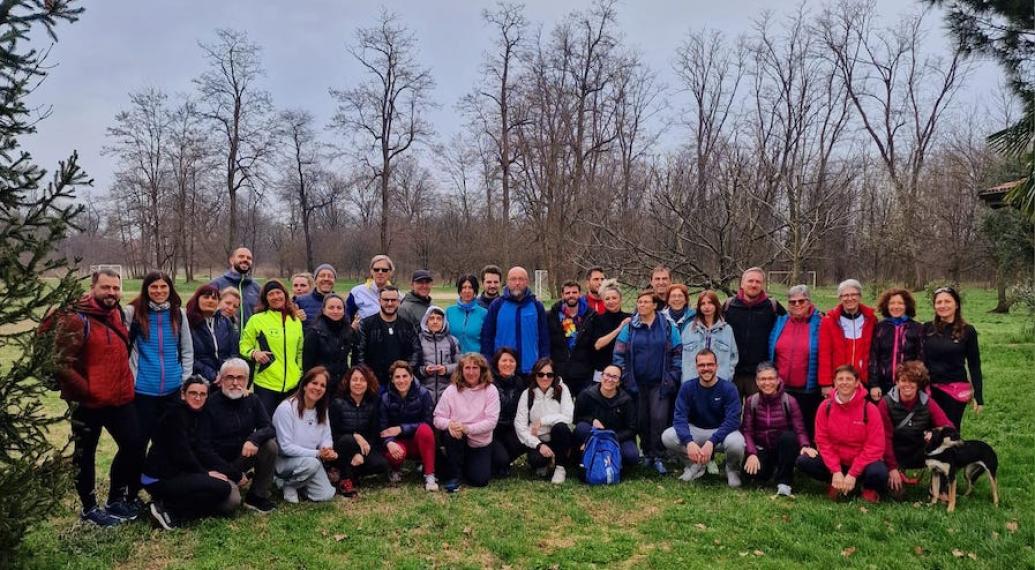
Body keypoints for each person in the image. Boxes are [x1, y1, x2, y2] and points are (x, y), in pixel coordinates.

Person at [49, 269, 145, 526]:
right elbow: (61, 363)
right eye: (105, 287)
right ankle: (89, 508)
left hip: (120, 396)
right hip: (87, 402)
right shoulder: (76, 318)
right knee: (86, 453)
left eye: (115, 288)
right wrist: (88, 389)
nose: (111, 293)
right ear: (93, 288)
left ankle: (115, 499)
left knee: (133, 444)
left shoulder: (115, 313)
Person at [142, 377, 240, 530]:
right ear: (183, 395)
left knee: (216, 491)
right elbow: (182, 453)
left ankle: (168, 504)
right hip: (158, 478)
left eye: (202, 394)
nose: (198, 398)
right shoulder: (175, 415)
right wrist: (205, 473)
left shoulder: (197, 414)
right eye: (193, 393)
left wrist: (243, 392)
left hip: (178, 473)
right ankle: (167, 508)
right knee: (222, 488)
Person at [196, 358, 278, 514]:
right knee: (230, 503)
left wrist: (253, 439)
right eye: (230, 377)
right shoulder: (209, 404)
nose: (235, 382)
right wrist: (235, 475)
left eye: (240, 378)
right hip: (218, 465)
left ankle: (256, 496)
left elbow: (269, 428)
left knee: (270, 445)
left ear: (247, 381)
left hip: (242, 457)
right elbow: (204, 449)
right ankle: (229, 484)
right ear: (221, 380)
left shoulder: (252, 400)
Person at [613, 289, 682, 474]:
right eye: (639, 302)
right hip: (636, 383)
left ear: (654, 305)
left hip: (661, 383)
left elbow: (678, 352)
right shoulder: (630, 327)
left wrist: (673, 376)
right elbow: (618, 353)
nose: (642, 305)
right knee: (641, 419)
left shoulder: (667, 326)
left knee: (658, 418)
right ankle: (646, 453)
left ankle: (658, 455)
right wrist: (625, 377)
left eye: (646, 302)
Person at [795, 365, 887, 503]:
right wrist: (836, 470)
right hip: (836, 462)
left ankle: (867, 488)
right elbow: (822, 441)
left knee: (879, 472)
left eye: (849, 379)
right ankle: (836, 482)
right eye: (840, 379)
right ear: (835, 382)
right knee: (804, 461)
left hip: (861, 463)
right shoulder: (825, 406)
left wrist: (853, 473)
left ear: (857, 383)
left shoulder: (869, 409)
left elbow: (875, 446)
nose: (844, 382)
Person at [124, 271, 195, 446]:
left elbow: (187, 351)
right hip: (142, 391)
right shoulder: (132, 312)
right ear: (146, 289)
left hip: (173, 391)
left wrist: (185, 382)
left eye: (163, 286)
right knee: (137, 444)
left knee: (168, 444)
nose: (159, 291)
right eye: (154, 286)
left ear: (170, 289)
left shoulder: (179, 314)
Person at [662, 350, 745, 487]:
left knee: (737, 443)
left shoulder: (729, 388)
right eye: (702, 365)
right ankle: (694, 465)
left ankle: (732, 469)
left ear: (716, 366)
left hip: (720, 432)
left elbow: (733, 420)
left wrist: (712, 442)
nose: (706, 368)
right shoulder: (687, 387)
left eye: (710, 364)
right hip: (696, 430)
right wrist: (689, 442)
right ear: (696, 367)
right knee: (668, 436)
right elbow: (679, 418)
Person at [877, 361, 954, 496]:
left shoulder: (928, 402)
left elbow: (949, 428)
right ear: (897, 382)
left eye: (912, 381)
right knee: (897, 495)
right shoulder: (885, 403)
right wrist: (892, 468)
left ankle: (940, 485)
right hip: (895, 451)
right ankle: (895, 475)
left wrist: (935, 434)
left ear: (918, 384)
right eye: (903, 380)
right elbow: (884, 437)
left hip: (919, 450)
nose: (907, 385)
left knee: (948, 445)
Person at [740, 362, 813, 497]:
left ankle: (784, 481)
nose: (767, 383)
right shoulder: (751, 401)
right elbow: (747, 431)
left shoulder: (789, 401)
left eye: (771, 378)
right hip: (762, 448)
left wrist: (805, 445)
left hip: (782, 449)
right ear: (757, 381)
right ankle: (770, 470)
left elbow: (800, 429)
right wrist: (751, 453)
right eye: (763, 379)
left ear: (778, 380)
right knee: (750, 475)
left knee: (789, 437)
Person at [434, 353, 501, 492]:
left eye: (475, 368)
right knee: (452, 434)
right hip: (457, 438)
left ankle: (465, 465)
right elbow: (437, 418)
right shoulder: (451, 390)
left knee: (480, 480)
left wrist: (467, 428)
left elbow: (491, 422)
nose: (471, 372)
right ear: (461, 370)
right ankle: (455, 476)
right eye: (467, 368)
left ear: (482, 370)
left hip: (479, 442)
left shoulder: (491, 390)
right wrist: (450, 424)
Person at [271, 367, 338, 503]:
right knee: (312, 464)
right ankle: (287, 484)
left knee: (326, 495)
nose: (318, 388)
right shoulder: (286, 408)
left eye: (322, 385)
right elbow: (285, 447)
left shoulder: (322, 410)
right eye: (314, 383)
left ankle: (299, 484)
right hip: (284, 461)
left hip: (310, 461)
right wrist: (318, 453)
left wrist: (327, 449)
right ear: (305, 385)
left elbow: (326, 436)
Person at [239, 280, 304, 416]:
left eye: (278, 292)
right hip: (266, 384)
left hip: (292, 385)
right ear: (265, 298)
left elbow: (300, 351)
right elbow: (244, 346)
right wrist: (254, 353)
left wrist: (299, 372)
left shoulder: (295, 321)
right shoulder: (256, 320)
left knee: (288, 422)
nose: (275, 297)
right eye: (271, 294)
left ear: (285, 295)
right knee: (266, 423)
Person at [923, 286, 983, 430]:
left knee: (949, 432)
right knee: (928, 434)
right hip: (929, 390)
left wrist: (978, 396)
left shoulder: (968, 331)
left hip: (955, 391)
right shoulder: (926, 329)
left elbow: (974, 365)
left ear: (956, 305)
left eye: (947, 301)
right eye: (939, 302)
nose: (943, 305)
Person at [768, 285, 823, 440]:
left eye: (801, 301)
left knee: (806, 430)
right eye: (792, 302)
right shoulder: (780, 322)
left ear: (809, 302)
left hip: (809, 391)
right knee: (783, 432)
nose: (797, 305)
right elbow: (771, 349)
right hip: (782, 389)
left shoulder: (820, 323)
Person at [723, 267, 785, 399]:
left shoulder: (772, 306)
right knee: (731, 410)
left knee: (758, 411)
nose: (754, 285)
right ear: (742, 284)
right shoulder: (729, 306)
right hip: (732, 372)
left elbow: (792, 321)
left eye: (758, 282)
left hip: (760, 373)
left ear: (762, 285)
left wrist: (818, 316)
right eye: (750, 281)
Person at [329, 365, 389, 497]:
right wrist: (355, 437)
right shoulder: (337, 403)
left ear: (368, 383)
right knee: (347, 440)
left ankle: (351, 474)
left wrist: (360, 453)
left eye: (362, 380)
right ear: (348, 382)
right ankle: (345, 480)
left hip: (363, 449)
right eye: (354, 379)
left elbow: (373, 434)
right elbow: (333, 434)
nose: (358, 383)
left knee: (382, 464)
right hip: (341, 448)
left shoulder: (372, 404)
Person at [379, 361, 439, 491]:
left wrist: (401, 428)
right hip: (399, 443)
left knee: (425, 429)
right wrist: (389, 442)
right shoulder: (385, 398)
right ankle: (395, 469)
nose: (401, 380)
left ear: (411, 377)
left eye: (405, 376)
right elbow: (383, 428)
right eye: (397, 377)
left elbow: (428, 422)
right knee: (393, 453)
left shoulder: (423, 394)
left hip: (419, 441)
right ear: (392, 379)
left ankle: (429, 474)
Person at [480, 266, 550, 375]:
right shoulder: (497, 305)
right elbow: (487, 338)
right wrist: (489, 363)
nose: (517, 283)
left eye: (521, 279)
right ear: (507, 282)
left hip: (530, 370)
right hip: (503, 370)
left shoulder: (536, 306)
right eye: (513, 279)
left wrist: (543, 363)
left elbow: (544, 339)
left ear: (527, 282)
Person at [515, 358, 575, 484]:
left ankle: (560, 468)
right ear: (535, 375)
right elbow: (520, 425)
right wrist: (538, 445)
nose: (545, 378)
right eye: (541, 374)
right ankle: (545, 462)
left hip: (558, 436)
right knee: (536, 460)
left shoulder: (562, 389)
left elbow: (568, 416)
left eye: (549, 374)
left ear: (554, 376)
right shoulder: (527, 394)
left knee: (560, 427)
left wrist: (542, 421)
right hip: (539, 438)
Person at [573, 364, 640, 474]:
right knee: (581, 428)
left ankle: (615, 464)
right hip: (593, 435)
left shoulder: (626, 401)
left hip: (617, 437)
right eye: (607, 375)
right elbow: (577, 419)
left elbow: (632, 429)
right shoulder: (586, 395)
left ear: (619, 382)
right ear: (601, 377)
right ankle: (586, 459)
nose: (610, 379)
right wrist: (592, 420)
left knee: (631, 456)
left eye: (614, 377)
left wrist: (610, 438)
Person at [819, 279, 877, 397]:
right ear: (840, 298)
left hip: (863, 381)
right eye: (845, 295)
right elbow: (824, 353)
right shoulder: (829, 321)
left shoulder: (871, 319)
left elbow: (874, 352)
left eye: (854, 294)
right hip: (839, 381)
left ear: (860, 296)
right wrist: (826, 383)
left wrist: (873, 383)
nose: (849, 298)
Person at [355, 285, 421, 387]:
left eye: (393, 300)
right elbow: (359, 355)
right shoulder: (366, 325)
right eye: (386, 300)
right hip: (374, 383)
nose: (389, 303)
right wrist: (369, 377)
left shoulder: (408, 326)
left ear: (398, 302)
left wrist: (405, 373)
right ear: (379, 301)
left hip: (401, 383)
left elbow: (416, 352)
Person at [869, 288, 925, 401]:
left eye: (900, 303)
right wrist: (874, 384)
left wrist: (916, 382)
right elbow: (874, 357)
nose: (896, 306)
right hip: (883, 385)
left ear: (907, 305)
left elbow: (921, 358)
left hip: (907, 384)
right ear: (886, 305)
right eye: (892, 303)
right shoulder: (880, 327)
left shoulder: (917, 328)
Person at [576, 281, 632, 382]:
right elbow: (597, 345)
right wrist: (619, 329)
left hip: (625, 371)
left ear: (620, 299)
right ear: (603, 301)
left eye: (614, 298)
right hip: (602, 372)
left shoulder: (630, 318)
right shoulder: (596, 319)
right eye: (607, 299)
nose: (611, 301)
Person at [185, 284, 239, 384]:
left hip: (223, 379)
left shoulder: (225, 322)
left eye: (214, 298)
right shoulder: (187, 323)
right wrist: (212, 375)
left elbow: (233, 352)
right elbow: (187, 355)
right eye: (206, 297)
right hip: (198, 380)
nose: (210, 300)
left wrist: (226, 372)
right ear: (197, 299)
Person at [681, 290, 738, 383]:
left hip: (719, 383)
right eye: (703, 304)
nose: (706, 307)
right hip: (692, 382)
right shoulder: (689, 329)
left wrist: (727, 376)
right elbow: (681, 355)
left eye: (710, 303)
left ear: (716, 305)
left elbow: (733, 357)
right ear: (699, 307)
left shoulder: (727, 330)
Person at [547, 280, 593, 396]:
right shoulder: (552, 315)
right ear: (562, 295)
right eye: (567, 293)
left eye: (574, 292)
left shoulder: (590, 315)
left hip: (584, 372)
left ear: (580, 294)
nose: (571, 295)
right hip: (560, 370)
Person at [302, 293, 353, 396]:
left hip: (342, 385)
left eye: (339, 308)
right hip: (321, 386)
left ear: (344, 311)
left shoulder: (348, 331)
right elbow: (307, 365)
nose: (335, 311)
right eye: (331, 307)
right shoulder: (314, 332)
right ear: (323, 310)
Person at [489, 348, 525, 476]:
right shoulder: (489, 382)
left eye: (512, 361)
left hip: (511, 427)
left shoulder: (519, 382)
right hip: (492, 430)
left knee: (524, 441)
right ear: (496, 363)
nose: (508, 364)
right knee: (501, 459)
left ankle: (503, 462)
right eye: (504, 360)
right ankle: (498, 461)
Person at [416, 305, 461, 404]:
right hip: (423, 393)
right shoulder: (418, 340)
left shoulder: (452, 341)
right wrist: (425, 370)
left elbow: (460, 365)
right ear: (426, 321)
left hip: (446, 393)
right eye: (431, 318)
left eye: (439, 319)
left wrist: (446, 369)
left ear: (444, 322)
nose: (435, 321)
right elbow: (412, 367)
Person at [210, 247, 261, 326]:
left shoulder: (257, 288)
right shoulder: (216, 284)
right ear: (231, 260)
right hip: (223, 333)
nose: (245, 259)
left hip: (250, 334)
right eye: (241, 256)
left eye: (249, 258)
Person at [446, 274, 488, 354]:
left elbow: (486, 340)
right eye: (464, 287)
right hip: (454, 358)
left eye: (470, 287)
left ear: (475, 290)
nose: (467, 291)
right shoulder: (449, 311)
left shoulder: (484, 313)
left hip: (475, 358)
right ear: (460, 290)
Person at [346, 254, 395, 323]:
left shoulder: (398, 296)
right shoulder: (357, 292)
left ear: (391, 272)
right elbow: (346, 317)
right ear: (371, 271)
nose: (380, 272)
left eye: (384, 270)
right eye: (376, 270)